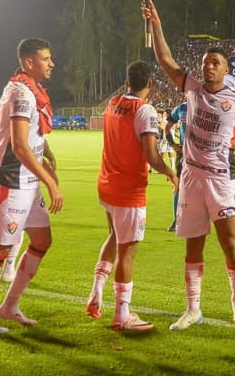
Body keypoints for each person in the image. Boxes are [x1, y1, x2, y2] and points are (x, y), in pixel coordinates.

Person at [141, 0, 235, 331]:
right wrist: (157, 22)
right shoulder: (191, 88)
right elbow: (164, 59)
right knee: (193, 243)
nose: (208, 66)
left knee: (229, 242)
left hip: (222, 179)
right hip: (191, 178)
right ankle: (193, 308)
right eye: (206, 62)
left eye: (215, 63)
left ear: (225, 70)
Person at [0, 38, 64, 335]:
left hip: (28, 182)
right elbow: (20, 146)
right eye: (46, 59)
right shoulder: (21, 94)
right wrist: (52, 183)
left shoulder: (29, 92)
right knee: (0, 248)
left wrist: (46, 161)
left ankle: (9, 305)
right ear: (29, 62)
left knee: (41, 240)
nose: (52, 63)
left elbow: (32, 138)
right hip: (11, 181)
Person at [85, 61, 178, 331]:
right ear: (150, 84)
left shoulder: (113, 102)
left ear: (127, 83)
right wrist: (172, 173)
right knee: (127, 251)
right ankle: (122, 314)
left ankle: (95, 292)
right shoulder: (145, 110)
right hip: (129, 189)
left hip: (107, 183)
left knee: (114, 236)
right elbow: (151, 155)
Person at [0, 98, 51, 283]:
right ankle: (3, 268)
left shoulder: (0, 101)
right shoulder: (25, 100)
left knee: (4, 217)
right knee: (15, 220)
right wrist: (50, 157)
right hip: (15, 171)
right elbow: (32, 139)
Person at [164, 99, 188, 232]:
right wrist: (172, 144)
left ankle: (198, 221)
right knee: (177, 185)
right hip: (183, 153)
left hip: (202, 155)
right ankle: (176, 220)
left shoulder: (207, 106)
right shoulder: (181, 108)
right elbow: (167, 127)